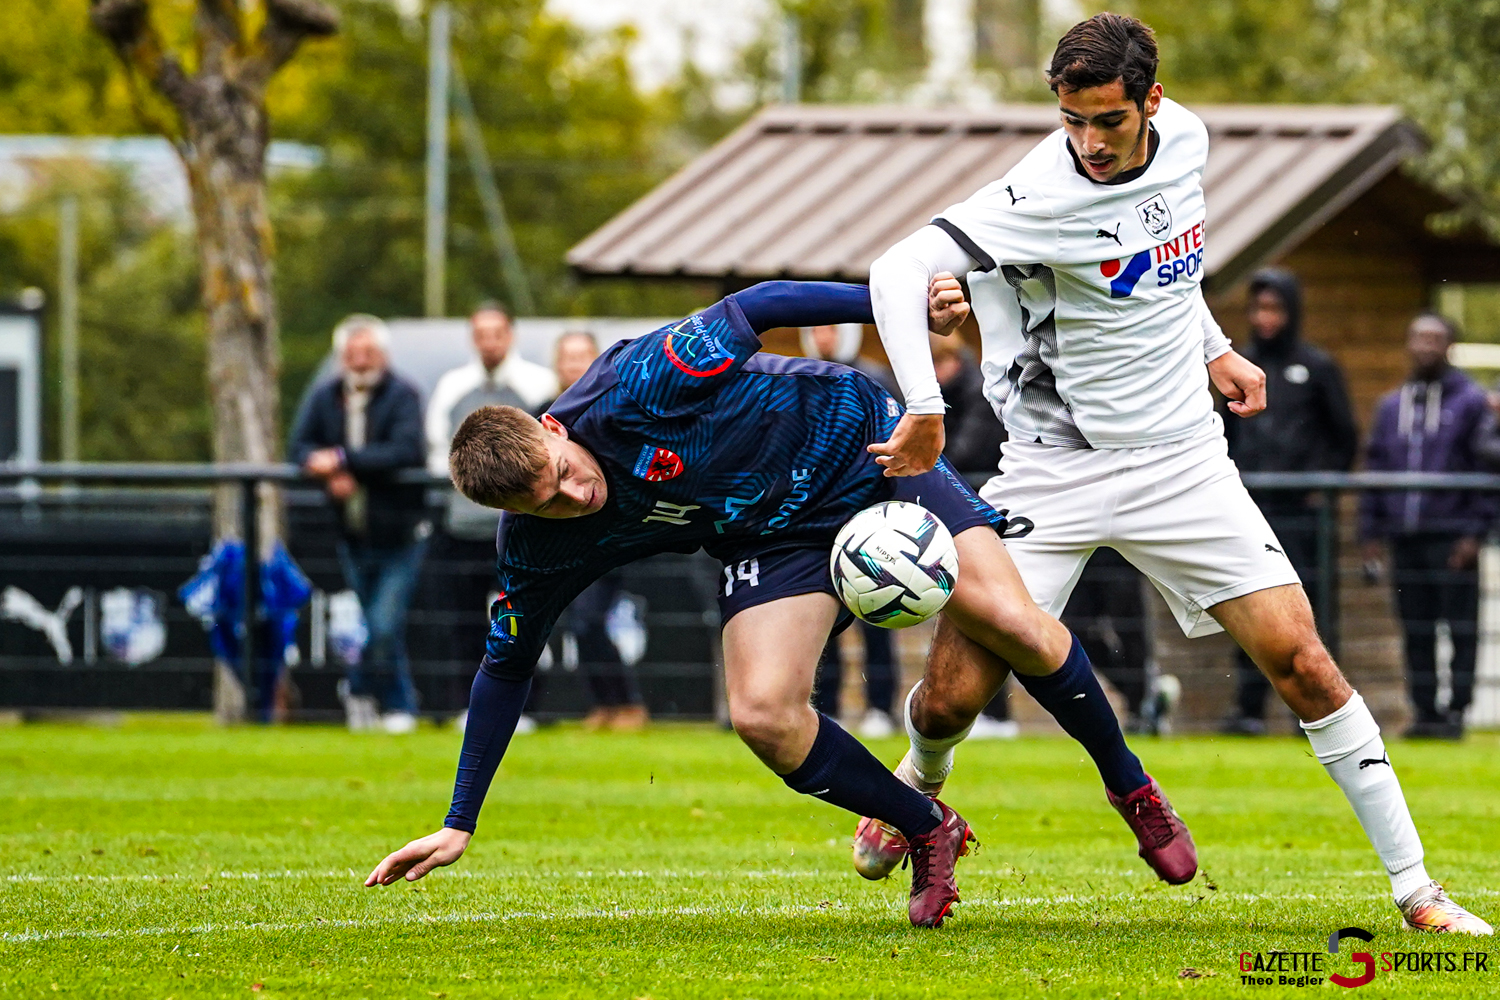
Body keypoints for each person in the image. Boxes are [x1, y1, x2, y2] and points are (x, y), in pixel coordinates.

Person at [859, 13, 1491, 934]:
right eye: (1071, 121)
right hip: (1050, 473)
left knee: (1305, 662)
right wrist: (924, 404)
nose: (1088, 143)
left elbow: (1166, 266)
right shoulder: (1036, 193)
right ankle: (923, 777)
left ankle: (1418, 891)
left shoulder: (1187, 140)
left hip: (1184, 462)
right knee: (954, 694)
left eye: (1107, 122)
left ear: (1152, 102)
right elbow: (894, 267)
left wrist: (1217, 348)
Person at [365, 280, 1198, 929]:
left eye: (564, 472)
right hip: (771, 536)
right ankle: (926, 826)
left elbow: (757, 307)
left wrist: (899, 309)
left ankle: (1130, 787)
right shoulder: (537, 546)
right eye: (547, 503)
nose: (575, 496)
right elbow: (503, 670)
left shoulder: (633, 384)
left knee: (1014, 623)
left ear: (553, 427)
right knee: (763, 713)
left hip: (862, 441)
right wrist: (459, 819)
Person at [1222, 268, 1358, 734]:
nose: (1265, 318)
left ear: (1292, 311)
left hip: (1304, 516)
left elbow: (1344, 436)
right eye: (1258, 308)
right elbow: (1225, 433)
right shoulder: (1238, 364)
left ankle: (1317, 714)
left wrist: (1321, 488)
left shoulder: (1317, 367)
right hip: (1251, 511)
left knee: (1311, 610)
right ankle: (1248, 710)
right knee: (1246, 606)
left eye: (1274, 308)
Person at [291, 315, 429, 735]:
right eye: (353, 353)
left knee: (383, 625)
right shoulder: (325, 395)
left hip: (400, 534)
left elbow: (405, 451)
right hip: (351, 533)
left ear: (383, 356)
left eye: (368, 352)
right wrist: (322, 468)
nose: (360, 360)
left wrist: (346, 461)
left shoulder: (403, 394)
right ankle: (395, 705)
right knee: (375, 627)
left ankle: (360, 690)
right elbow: (298, 446)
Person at [426, 302, 557, 731]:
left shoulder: (537, 384)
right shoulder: (452, 387)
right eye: (481, 333)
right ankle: (468, 706)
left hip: (521, 526)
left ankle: (529, 709)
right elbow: (435, 453)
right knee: (464, 622)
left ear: (511, 335)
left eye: (496, 332)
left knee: (521, 620)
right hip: (463, 527)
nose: (489, 342)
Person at [1360, 314, 1492, 741]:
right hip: (1406, 535)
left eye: (1435, 339)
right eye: (1418, 338)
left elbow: (1485, 468)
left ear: (1450, 346)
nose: (1425, 347)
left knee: (1460, 628)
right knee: (1414, 628)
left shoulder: (1472, 403)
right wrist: (1371, 533)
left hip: (1453, 535)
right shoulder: (1392, 405)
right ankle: (1425, 711)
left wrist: (1476, 532)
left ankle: (1456, 711)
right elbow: (1376, 466)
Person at [800, 324, 901, 739]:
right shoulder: (799, 379)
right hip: (820, 514)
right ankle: (826, 707)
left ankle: (880, 706)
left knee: (878, 614)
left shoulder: (873, 376)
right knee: (823, 618)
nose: (823, 336)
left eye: (830, 328)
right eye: (816, 329)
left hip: (868, 514)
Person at [553, 330, 650, 732]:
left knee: (588, 620)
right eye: (568, 357)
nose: (575, 364)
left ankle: (627, 703)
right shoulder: (544, 414)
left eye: (583, 356)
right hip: (564, 543)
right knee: (578, 623)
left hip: (611, 538)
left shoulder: (618, 406)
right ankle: (605, 704)